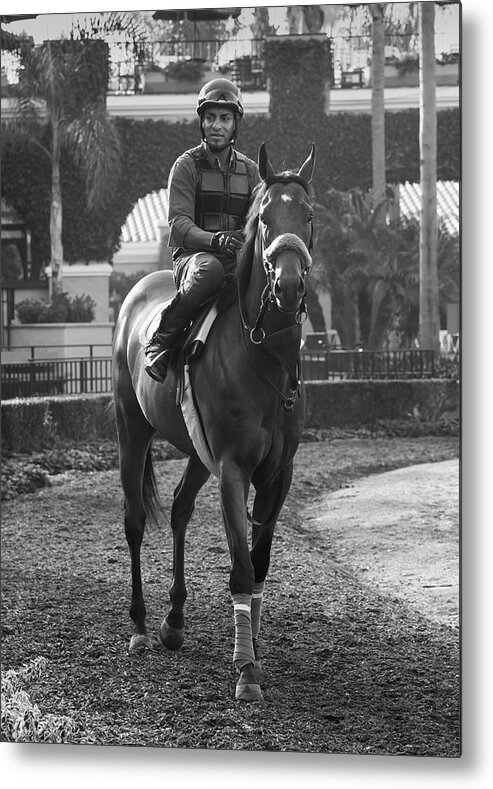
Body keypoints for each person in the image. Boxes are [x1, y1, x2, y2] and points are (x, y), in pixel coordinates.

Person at [144, 77, 260, 383]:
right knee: (209, 270)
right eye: (210, 118)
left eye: (224, 118)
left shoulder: (250, 170)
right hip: (194, 259)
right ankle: (162, 340)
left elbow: (260, 220)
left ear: (236, 123)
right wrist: (216, 239)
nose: (216, 126)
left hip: (236, 259)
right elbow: (179, 224)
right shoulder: (186, 166)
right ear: (202, 122)